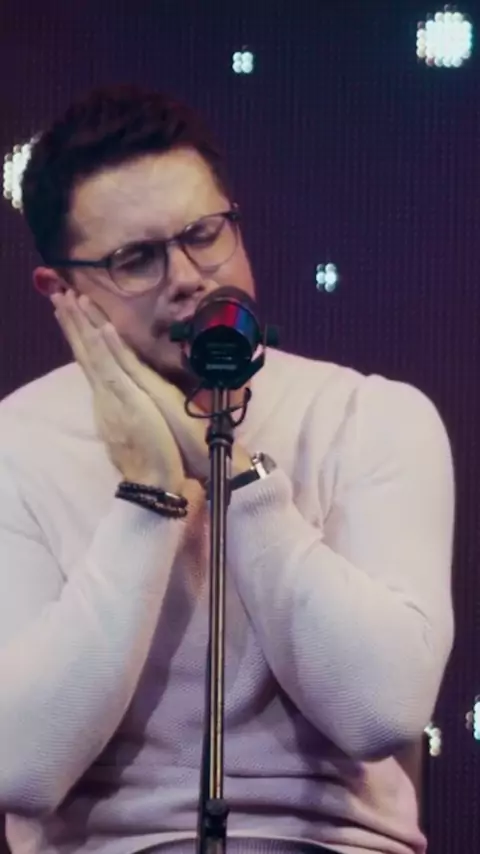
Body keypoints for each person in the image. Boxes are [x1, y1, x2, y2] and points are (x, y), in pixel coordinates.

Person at [0, 85, 454, 854]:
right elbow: (21, 767)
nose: (187, 276)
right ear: (62, 291)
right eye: (136, 260)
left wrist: (231, 474)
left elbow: (380, 712)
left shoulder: (372, 416)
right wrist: (147, 497)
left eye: (203, 235)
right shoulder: (14, 446)